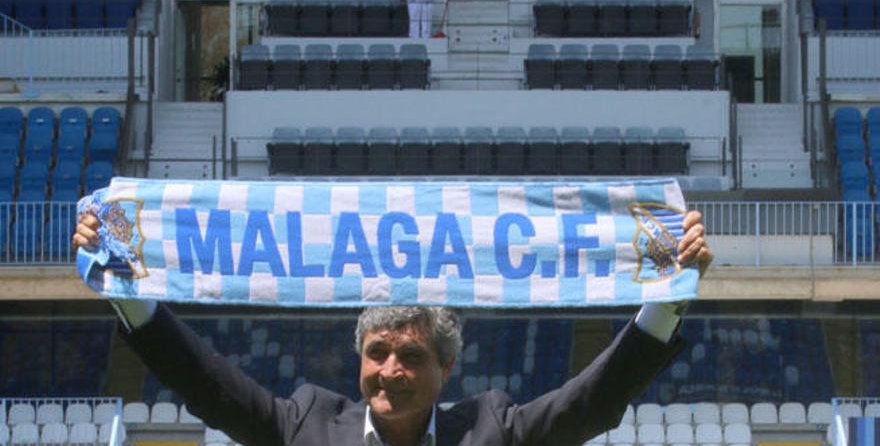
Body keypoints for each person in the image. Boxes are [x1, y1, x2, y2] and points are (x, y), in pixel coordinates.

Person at [73, 211, 712, 446]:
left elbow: (592, 402)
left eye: (410, 355)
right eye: (378, 352)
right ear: (358, 359)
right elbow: (203, 382)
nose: (391, 371)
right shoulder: (306, 427)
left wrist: (667, 297)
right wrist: (130, 292)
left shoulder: (493, 430)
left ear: (445, 369)